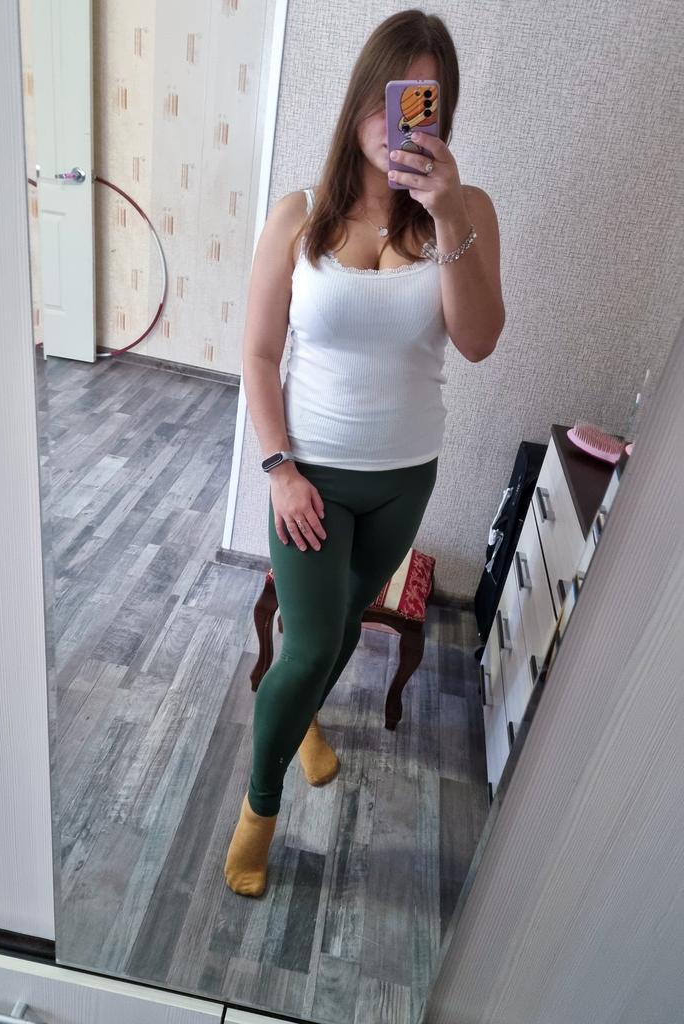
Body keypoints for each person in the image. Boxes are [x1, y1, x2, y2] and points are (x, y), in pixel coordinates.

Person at [224, 10, 504, 897]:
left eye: (424, 102)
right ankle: (259, 810)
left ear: (442, 112)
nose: (403, 122)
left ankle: (302, 721)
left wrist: (446, 211)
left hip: (404, 480)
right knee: (310, 644)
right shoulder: (301, 214)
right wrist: (279, 470)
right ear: (358, 106)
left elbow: (479, 341)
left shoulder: (466, 212)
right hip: (308, 475)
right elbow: (258, 354)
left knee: (343, 623)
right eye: (391, 99)